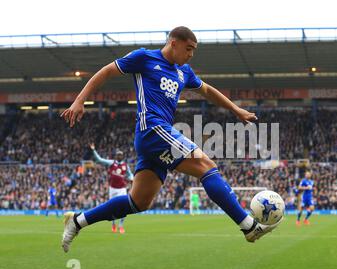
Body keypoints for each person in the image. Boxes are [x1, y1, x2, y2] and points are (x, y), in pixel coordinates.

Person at [60, 26, 281, 253]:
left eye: (194, 50)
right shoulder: (144, 58)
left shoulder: (184, 71)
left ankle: (77, 221)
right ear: (173, 43)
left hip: (155, 140)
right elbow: (105, 72)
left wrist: (236, 110)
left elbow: (207, 90)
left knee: (138, 202)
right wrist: (80, 101)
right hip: (152, 129)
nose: (191, 54)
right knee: (206, 166)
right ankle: (248, 226)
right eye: (189, 48)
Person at [90, 143, 134, 234]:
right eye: (118, 155)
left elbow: (130, 175)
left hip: (122, 189)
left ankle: (121, 226)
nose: (119, 156)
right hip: (112, 189)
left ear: (123, 156)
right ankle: (113, 224)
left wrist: (133, 180)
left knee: (124, 208)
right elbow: (99, 160)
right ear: (116, 156)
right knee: (112, 208)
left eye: (121, 155)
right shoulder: (111, 163)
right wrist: (93, 150)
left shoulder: (125, 165)